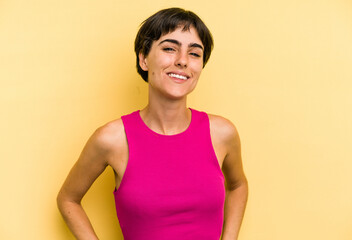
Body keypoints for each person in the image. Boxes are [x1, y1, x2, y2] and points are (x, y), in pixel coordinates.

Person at [57, 7, 248, 240]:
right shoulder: (112, 139)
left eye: (194, 53)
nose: (182, 61)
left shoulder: (222, 133)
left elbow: (238, 186)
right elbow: (68, 198)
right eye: (169, 49)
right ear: (144, 59)